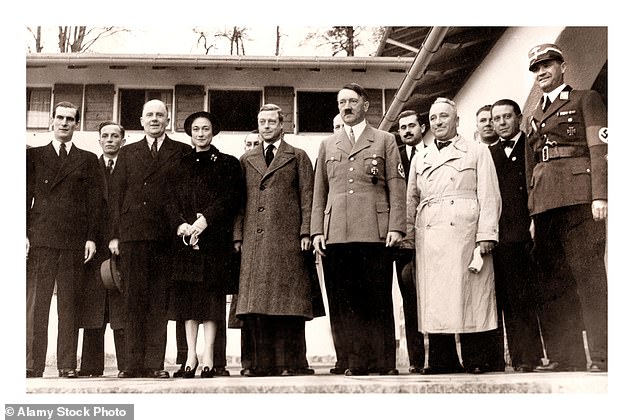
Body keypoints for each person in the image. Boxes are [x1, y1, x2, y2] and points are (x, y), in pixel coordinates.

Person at [312, 83, 406, 376]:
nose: (347, 107)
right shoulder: (329, 144)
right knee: (345, 300)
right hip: (337, 233)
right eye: (342, 102)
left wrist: (397, 227)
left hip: (374, 232)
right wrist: (317, 231)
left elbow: (396, 185)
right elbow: (319, 192)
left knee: (376, 298)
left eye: (352, 101)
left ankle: (384, 362)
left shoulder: (384, 140)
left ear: (366, 105)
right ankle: (355, 362)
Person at [525, 44, 607, 372]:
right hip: (545, 206)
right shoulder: (533, 114)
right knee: (553, 284)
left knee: (589, 279)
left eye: (547, 65)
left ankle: (603, 355)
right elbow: (533, 168)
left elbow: (600, 149)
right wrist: (533, 213)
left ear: (562, 66)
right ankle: (565, 356)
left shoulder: (585, 99)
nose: (541, 72)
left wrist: (601, 195)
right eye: (536, 68)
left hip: (579, 200)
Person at [406, 97, 501, 374]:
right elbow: (411, 198)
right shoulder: (421, 157)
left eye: (444, 117)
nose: (438, 122)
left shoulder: (476, 151)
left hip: (465, 231)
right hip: (430, 233)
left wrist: (486, 234)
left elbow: (489, 194)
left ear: (457, 121)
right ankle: (440, 359)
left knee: (469, 296)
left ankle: (475, 359)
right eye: (434, 118)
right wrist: (409, 237)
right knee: (435, 298)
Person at [235, 104, 320, 376]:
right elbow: (239, 202)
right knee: (256, 306)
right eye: (262, 122)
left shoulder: (297, 156)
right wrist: (237, 236)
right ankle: (256, 364)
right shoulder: (246, 159)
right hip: (254, 242)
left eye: (272, 121)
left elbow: (308, 197)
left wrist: (306, 231)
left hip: (287, 242)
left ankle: (290, 363)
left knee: (288, 305)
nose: (267, 126)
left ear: (283, 125)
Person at [109, 99, 192, 378]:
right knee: (133, 299)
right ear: (141, 121)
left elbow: (184, 195)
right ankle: (132, 365)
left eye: (160, 115)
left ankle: (154, 364)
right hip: (133, 235)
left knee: (159, 300)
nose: (155, 119)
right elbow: (115, 196)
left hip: (165, 237)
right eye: (150, 115)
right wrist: (114, 236)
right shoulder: (128, 152)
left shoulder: (180, 151)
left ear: (167, 120)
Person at [26, 101, 102, 378]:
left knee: (69, 305)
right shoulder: (34, 156)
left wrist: (91, 238)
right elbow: (23, 197)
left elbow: (95, 204)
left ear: (76, 124)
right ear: (51, 121)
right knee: (38, 305)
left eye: (70, 119)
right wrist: (23, 232)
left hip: (73, 241)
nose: (64, 123)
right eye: (59, 118)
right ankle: (32, 364)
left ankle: (67, 364)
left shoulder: (87, 159)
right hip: (41, 238)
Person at [166, 111, 242, 378]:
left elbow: (230, 198)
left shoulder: (227, 163)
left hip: (214, 242)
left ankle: (209, 355)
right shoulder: (178, 164)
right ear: (190, 132)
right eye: (196, 129)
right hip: (185, 242)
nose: (201, 133)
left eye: (206, 128)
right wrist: (182, 224)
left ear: (213, 131)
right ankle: (190, 356)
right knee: (188, 301)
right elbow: (169, 200)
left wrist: (205, 221)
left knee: (211, 300)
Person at [488, 99, 544, 372]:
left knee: (538, 295)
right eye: (496, 118)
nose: (501, 123)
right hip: (504, 236)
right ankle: (521, 358)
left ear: (518, 118)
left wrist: (535, 220)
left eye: (506, 117)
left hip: (533, 229)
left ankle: (544, 355)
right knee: (511, 298)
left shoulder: (531, 146)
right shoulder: (487, 153)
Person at [77, 121, 127, 377]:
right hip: (94, 248)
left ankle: (126, 366)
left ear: (123, 140)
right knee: (94, 308)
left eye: (115, 136)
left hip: (121, 248)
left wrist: (118, 237)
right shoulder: (89, 167)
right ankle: (90, 366)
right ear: (99, 141)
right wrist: (91, 238)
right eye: (105, 136)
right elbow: (85, 208)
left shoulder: (129, 167)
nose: (110, 140)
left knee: (120, 307)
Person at [395, 110, 427, 374]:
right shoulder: (394, 156)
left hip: (432, 234)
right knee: (409, 297)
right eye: (402, 127)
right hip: (403, 238)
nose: (406, 131)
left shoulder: (432, 153)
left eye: (411, 126)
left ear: (422, 127)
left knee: (437, 295)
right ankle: (417, 360)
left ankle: (443, 356)